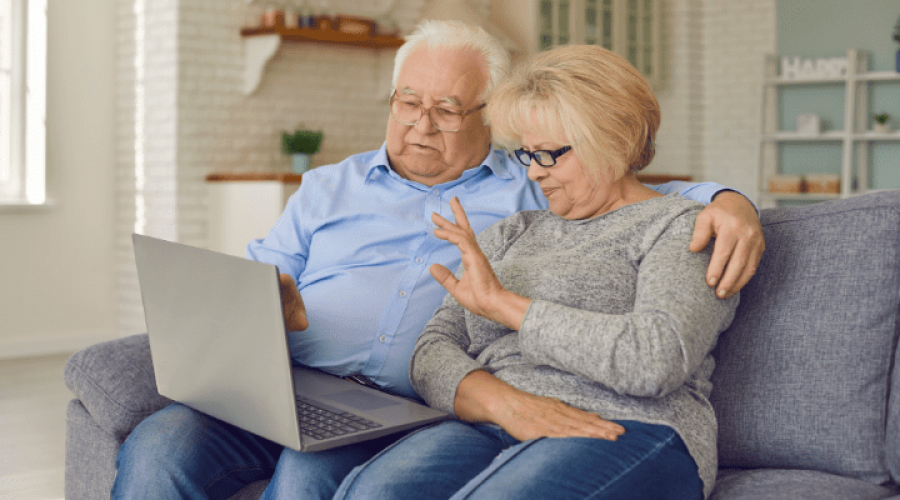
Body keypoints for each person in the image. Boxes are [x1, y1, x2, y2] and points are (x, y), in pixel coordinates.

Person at [111, 21, 760, 500]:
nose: (422, 124)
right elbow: (432, 342)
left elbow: (634, 197)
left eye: (447, 109)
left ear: (487, 118)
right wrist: (261, 303)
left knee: (309, 482)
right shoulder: (335, 188)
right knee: (160, 445)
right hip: (293, 385)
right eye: (408, 103)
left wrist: (733, 202)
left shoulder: (524, 188)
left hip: (403, 412)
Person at [331, 43, 738, 500]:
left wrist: (506, 306)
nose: (534, 174)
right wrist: (503, 403)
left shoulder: (680, 227)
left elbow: (655, 358)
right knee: (371, 493)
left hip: (629, 424)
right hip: (493, 420)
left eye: (549, 154)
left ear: (614, 140)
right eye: (527, 155)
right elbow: (431, 349)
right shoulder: (513, 231)